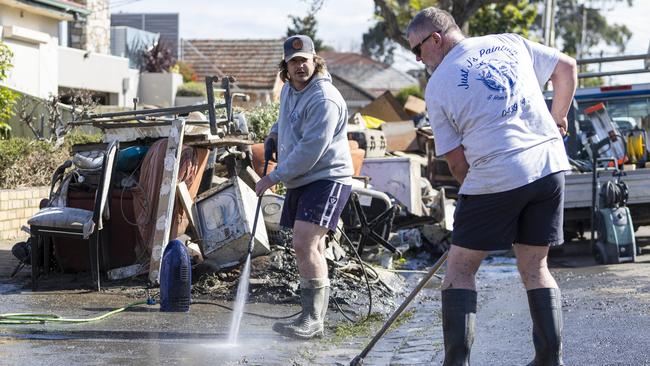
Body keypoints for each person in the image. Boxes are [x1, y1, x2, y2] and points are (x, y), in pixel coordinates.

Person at [406, 7, 577, 366]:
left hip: (497, 173)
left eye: (417, 50)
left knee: (460, 270)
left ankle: (457, 363)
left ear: (435, 40)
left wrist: (481, 199)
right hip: (548, 166)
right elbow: (567, 68)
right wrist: (557, 118)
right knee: (535, 267)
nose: (419, 59)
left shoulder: (437, 85)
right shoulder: (509, 42)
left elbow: (455, 162)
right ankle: (549, 360)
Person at [255, 34, 354, 339]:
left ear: (315, 61)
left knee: (305, 242)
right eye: (293, 61)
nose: (300, 66)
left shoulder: (324, 98)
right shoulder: (289, 89)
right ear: (286, 65)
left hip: (326, 177)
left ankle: (313, 319)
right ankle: (312, 315)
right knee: (311, 245)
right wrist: (273, 134)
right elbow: (285, 119)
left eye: (304, 60)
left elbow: (311, 150)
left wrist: (272, 177)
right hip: (303, 178)